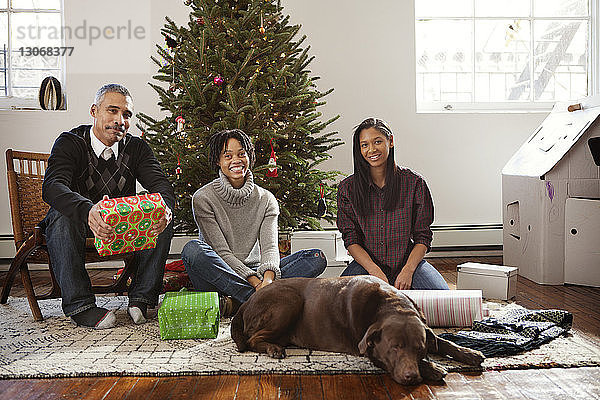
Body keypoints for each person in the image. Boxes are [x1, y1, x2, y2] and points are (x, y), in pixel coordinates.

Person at [42, 83, 175, 329]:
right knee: (60, 216)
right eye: (112, 111)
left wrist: (164, 208)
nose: (120, 120)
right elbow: (52, 187)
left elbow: (161, 186)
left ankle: (141, 299)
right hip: (78, 223)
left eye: (126, 115)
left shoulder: (136, 148)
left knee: (163, 214)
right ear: (94, 111)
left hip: (122, 228)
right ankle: (80, 306)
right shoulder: (70, 142)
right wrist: (87, 210)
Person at [181, 129, 327, 314]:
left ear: (249, 156)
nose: (236, 160)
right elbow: (222, 253)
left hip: (258, 270)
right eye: (228, 156)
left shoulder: (266, 199)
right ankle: (262, 300)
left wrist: (267, 280)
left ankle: (238, 303)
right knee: (192, 250)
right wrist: (256, 283)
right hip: (221, 274)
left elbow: (270, 248)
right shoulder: (203, 198)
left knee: (315, 258)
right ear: (218, 161)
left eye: (242, 154)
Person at [336, 117, 448, 290]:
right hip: (367, 266)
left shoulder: (415, 183)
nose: (371, 149)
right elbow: (351, 239)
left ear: (391, 141)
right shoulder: (347, 189)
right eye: (364, 145)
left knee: (443, 299)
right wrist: (373, 270)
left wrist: (408, 270)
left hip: (408, 264)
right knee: (336, 302)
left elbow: (423, 237)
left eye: (378, 141)